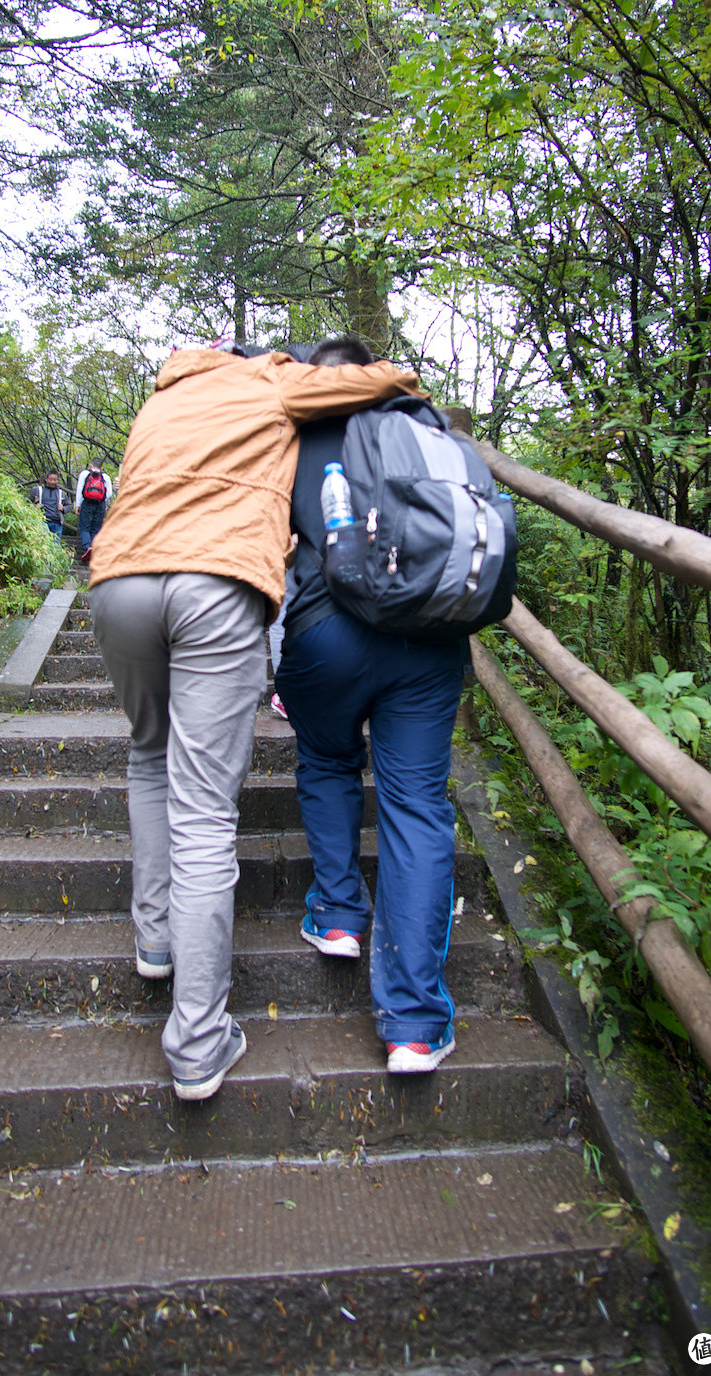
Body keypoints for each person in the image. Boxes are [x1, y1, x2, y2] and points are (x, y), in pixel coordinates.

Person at [87, 339, 419, 1102]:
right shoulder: (272, 380)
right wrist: (393, 375)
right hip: (215, 579)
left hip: (118, 583)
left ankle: (156, 941)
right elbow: (377, 379)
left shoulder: (163, 397)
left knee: (148, 755)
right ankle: (199, 1042)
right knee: (204, 811)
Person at [274, 334, 469, 1074]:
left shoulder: (289, 430)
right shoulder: (422, 421)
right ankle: (414, 1025)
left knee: (326, 758)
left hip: (325, 635)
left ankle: (337, 914)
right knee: (416, 804)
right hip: (426, 636)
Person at [75, 457, 114, 564]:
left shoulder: (84, 474)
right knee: (96, 529)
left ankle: (87, 547)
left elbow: (79, 490)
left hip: (87, 504)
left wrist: (78, 505)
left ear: (91, 465)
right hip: (100, 505)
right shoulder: (105, 476)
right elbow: (109, 493)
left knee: (84, 527)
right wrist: (102, 500)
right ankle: (94, 551)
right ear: (101, 467)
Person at [32, 468, 70, 539]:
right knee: (44, 543)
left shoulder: (61, 493)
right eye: (51, 479)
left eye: (55, 480)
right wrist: (35, 507)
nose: (53, 482)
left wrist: (63, 508)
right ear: (46, 479)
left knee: (56, 546)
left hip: (57, 523)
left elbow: (70, 506)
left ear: (58, 480)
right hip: (42, 521)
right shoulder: (37, 490)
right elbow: (26, 503)